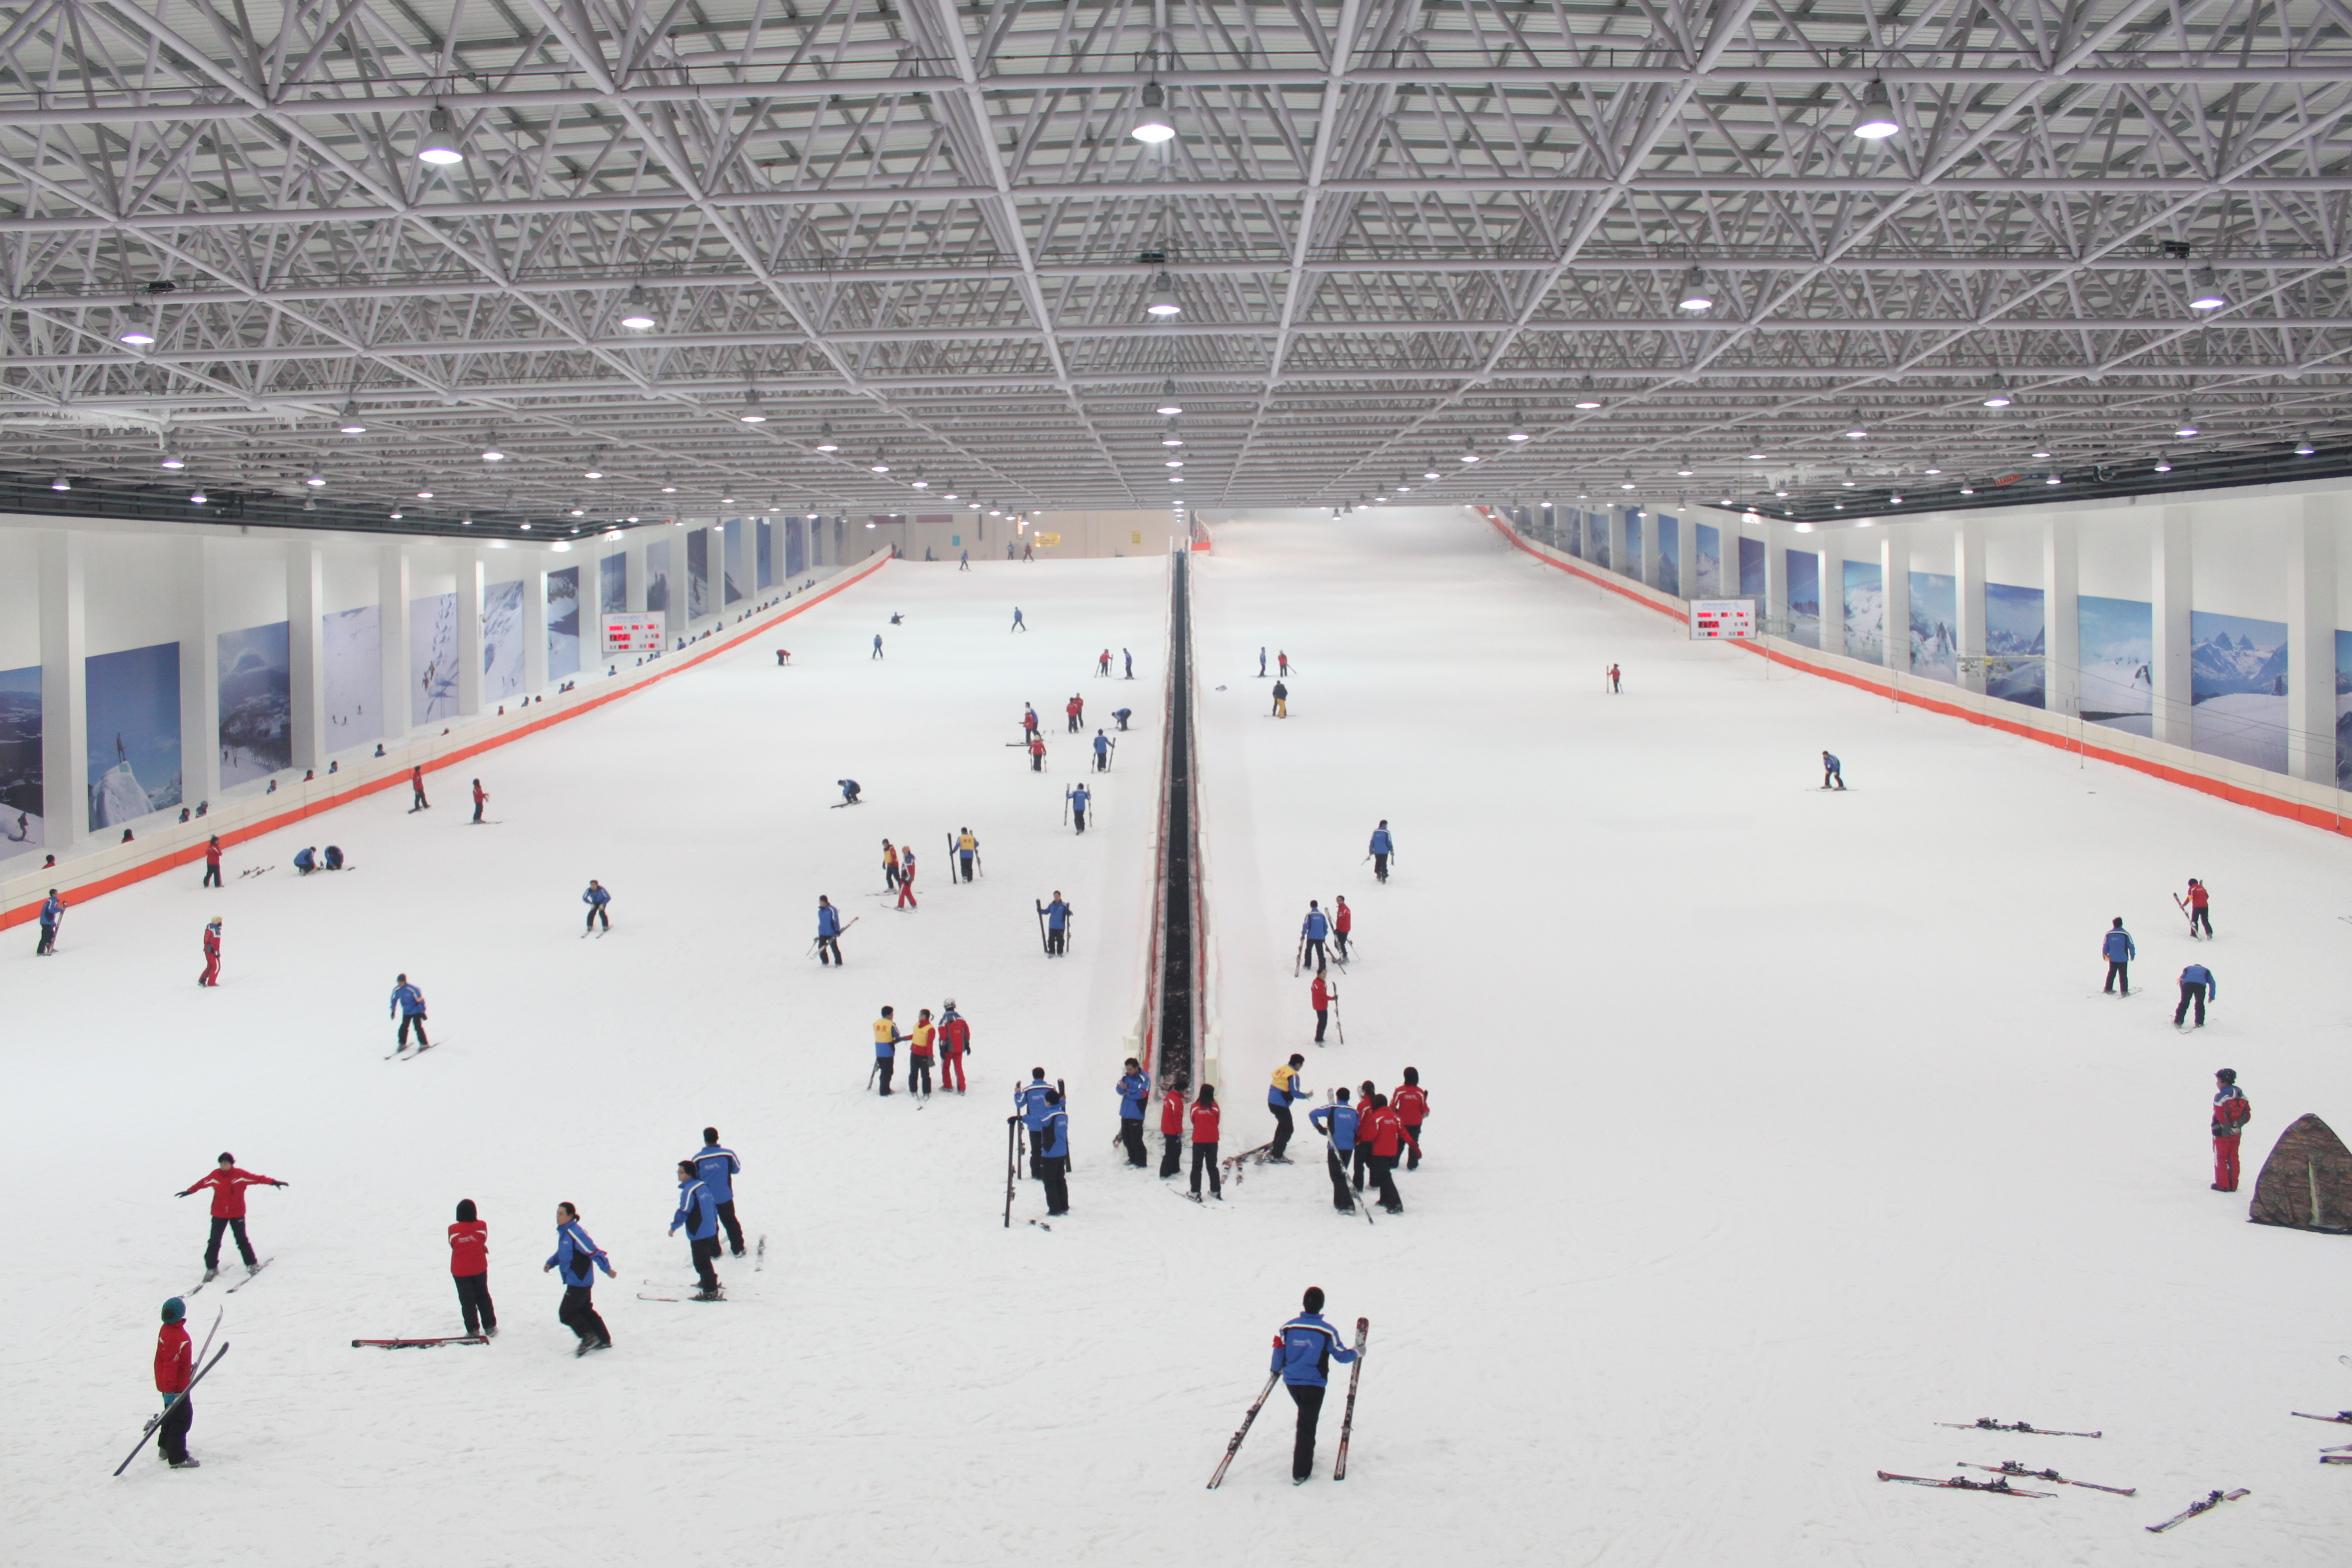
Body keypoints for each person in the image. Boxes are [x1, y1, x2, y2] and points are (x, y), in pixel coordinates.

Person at [1271, 1287, 1359, 1484]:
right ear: (1321, 1305)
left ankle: (1306, 1455)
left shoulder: (1288, 1328)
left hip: (1292, 1382)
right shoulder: (1326, 1331)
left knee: (1306, 1418)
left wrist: (1275, 1369)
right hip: (1313, 1384)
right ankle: (1300, 1471)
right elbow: (1341, 1355)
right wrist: (1357, 1352)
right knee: (1306, 1426)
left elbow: (1278, 1350)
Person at [178, 1152, 284, 1277]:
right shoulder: (215, 1175)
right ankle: (211, 1268)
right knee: (214, 1241)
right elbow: (202, 1183)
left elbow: (257, 1178)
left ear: (231, 1164)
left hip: (237, 1213)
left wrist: (273, 1182)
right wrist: (189, 1191)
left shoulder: (240, 1175)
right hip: (218, 1213)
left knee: (241, 1240)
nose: (224, 1165)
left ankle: (251, 1264)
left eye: (226, 1163)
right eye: (222, 1163)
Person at [544, 1202, 614, 1355]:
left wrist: (607, 1269)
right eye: (557, 1213)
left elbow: (593, 1251)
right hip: (577, 1280)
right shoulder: (565, 1232)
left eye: (561, 1213)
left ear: (570, 1216)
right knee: (584, 1309)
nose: (557, 1216)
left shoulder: (575, 1233)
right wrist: (551, 1262)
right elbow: (563, 1253)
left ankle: (588, 1337)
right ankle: (603, 1339)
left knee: (566, 1313)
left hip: (579, 1281)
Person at [154, 1296, 199, 1468]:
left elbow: (170, 1361)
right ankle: (177, 1456)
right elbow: (171, 1365)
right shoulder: (179, 1336)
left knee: (169, 1416)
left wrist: (187, 1368)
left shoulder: (165, 1329)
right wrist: (173, 1391)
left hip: (167, 1384)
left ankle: (165, 1446)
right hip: (176, 1387)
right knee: (182, 1419)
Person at [669, 1160, 723, 1297]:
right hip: (710, 1229)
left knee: (701, 1261)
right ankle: (708, 1281)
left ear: (688, 1174)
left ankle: (710, 1290)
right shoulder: (704, 1186)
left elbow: (684, 1211)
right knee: (704, 1259)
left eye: (681, 1172)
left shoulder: (689, 1191)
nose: (678, 1175)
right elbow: (713, 1206)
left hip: (699, 1231)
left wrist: (674, 1226)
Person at [448, 1199, 496, 1338]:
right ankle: (490, 1326)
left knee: (466, 1300)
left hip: (460, 1270)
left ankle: (472, 1329)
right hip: (479, 1268)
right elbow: (482, 1239)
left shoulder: (452, 1230)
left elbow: (453, 1243)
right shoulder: (481, 1226)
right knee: (483, 1296)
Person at [693, 1129, 746, 1256]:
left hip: (706, 1199)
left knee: (710, 1224)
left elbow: (694, 1178)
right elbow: (736, 1169)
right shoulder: (728, 1154)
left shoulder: (697, 1158)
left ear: (705, 1139)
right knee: (730, 1222)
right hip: (725, 1196)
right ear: (717, 1137)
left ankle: (714, 1251)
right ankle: (738, 1249)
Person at [1360, 1093, 1413, 1213]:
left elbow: (1371, 1135)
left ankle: (1396, 1203)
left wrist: (1361, 1140)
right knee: (1384, 1174)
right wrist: (1413, 1145)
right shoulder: (1395, 1117)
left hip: (1379, 1152)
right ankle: (1384, 1199)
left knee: (1385, 1177)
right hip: (1392, 1152)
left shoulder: (1375, 1117)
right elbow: (1403, 1132)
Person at [1310, 1091, 1360, 1213]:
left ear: (1337, 1097)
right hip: (1348, 1147)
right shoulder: (1354, 1112)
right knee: (1341, 1174)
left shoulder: (1332, 1108)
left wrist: (1320, 1128)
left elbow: (1312, 1114)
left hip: (1335, 1146)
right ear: (1348, 1098)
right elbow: (1357, 1128)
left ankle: (1347, 1204)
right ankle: (1339, 1202)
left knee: (1336, 1175)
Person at [2211, 1068, 2251, 1192]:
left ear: (2223, 1081)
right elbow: (2247, 1114)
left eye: (2218, 1080)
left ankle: (2222, 1184)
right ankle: (2233, 1184)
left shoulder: (2221, 1096)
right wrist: (2237, 1125)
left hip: (2222, 1133)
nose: (2217, 1083)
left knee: (2221, 1157)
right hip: (2236, 1132)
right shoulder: (2241, 1095)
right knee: (2233, 1156)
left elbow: (2219, 1114)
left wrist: (2227, 1127)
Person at [1268, 1054, 1308, 1162]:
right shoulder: (1293, 1075)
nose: (1301, 1067)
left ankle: (1276, 1145)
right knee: (1288, 1129)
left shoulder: (1283, 1068)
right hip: (1280, 1104)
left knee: (1283, 1124)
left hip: (1271, 1101)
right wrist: (1306, 1095)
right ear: (1297, 1064)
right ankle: (1277, 1155)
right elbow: (1295, 1092)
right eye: (1301, 1065)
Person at [1017, 1069, 1055, 1179]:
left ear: (1033, 1076)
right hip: (1048, 1125)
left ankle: (1036, 1172)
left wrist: (1017, 1093)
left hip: (1033, 1126)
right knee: (1048, 1148)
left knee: (1035, 1150)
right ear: (1043, 1076)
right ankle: (1048, 1170)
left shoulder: (1028, 1090)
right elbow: (1058, 1102)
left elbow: (1019, 1103)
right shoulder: (1050, 1088)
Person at [1038, 1090, 1071, 1217]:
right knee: (1060, 1179)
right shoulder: (1063, 1114)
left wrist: (1020, 1118)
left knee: (1049, 1181)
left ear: (1048, 1101)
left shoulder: (1048, 1116)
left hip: (1050, 1153)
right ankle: (1064, 1205)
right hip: (1061, 1151)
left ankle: (1054, 1208)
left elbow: (1037, 1120)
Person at [1189, 1084, 1223, 1199]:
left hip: (1198, 1140)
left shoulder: (1195, 1107)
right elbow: (1217, 1121)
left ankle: (1195, 1192)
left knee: (1196, 1167)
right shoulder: (1215, 1107)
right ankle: (1215, 1191)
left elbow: (1193, 1120)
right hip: (1213, 1141)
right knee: (1212, 1166)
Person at [1393, 1067, 1430, 1170]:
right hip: (1415, 1123)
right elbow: (1424, 1109)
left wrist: (1397, 1113)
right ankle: (1412, 1164)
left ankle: (1393, 1162)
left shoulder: (1399, 1091)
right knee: (1413, 1142)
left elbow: (1392, 1106)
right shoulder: (1420, 1092)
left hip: (1402, 1123)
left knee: (1399, 1143)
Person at [1117, 1058, 1149, 1167]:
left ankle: (1141, 1162)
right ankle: (1132, 1158)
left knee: (1136, 1139)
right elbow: (1119, 1090)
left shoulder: (1144, 1078)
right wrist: (1123, 1088)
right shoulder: (1126, 1077)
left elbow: (1141, 1094)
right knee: (1126, 1138)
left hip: (1136, 1114)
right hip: (1125, 1113)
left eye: (1130, 1069)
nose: (1128, 1071)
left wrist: (1127, 1090)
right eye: (1127, 1069)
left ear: (1136, 1067)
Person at [390, 973, 430, 1051]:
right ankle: (402, 1043)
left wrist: (422, 1012)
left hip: (416, 1010)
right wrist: (393, 1011)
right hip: (406, 1012)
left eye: (401, 982)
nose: (399, 983)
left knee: (417, 1026)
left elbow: (420, 1000)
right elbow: (393, 1000)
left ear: (405, 981)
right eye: (398, 982)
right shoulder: (397, 990)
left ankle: (424, 1043)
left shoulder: (412, 989)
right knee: (403, 1027)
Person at [938, 999, 971, 1093]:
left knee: (945, 1067)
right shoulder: (961, 1018)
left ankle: (947, 1086)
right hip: (959, 1048)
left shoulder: (944, 1019)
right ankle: (961, 1088)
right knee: (958, 1068)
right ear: (954, 1006)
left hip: (948, 1049)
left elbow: (942, 1035)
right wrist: (967, 1044)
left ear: (945, 1007)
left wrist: (942, 1048)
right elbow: (967, 1032)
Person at [1159, 1074, 1189, 1178]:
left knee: (1176, 1150)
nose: (1186, 1092)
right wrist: (1179, 1132)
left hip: (1167, 1128)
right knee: (1171, 1151)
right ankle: (1164, 1172)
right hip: (1172, 1130)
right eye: (1185, 1090)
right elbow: (1177, 1118)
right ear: (1181, 1090)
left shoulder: (1170, 1096)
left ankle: (1175, 1169)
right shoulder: (1177, 1101)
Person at [871, 1005, 902, 1096]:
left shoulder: (876, 1023)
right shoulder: (891, 1024)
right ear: (889, 1015)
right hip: (888, 1051)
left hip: (879, 1050)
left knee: (883, 1071)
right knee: (888, 1072)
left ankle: (883, 1087)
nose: (893, 1016)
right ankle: (884, 1090)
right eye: (892, 1014)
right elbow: (897, 1034)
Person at [2176, 962, 2217, 1028]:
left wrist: (2183, 992)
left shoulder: (2188, 968)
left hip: (2187, 984)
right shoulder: (2206, 970)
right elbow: (2212, 983)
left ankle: (2178, 1021)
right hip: (2200, 986)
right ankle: (2199, 1023)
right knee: (2199, 1003)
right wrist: (2211, 996)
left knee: (2184, 1003)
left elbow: (2181, 979)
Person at [2101, 917, 2134, 996]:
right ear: (2121, 923)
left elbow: (2105, 945)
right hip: (2123, 958)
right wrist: (2132, 954)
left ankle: (2108, 988)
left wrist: (2104, 954)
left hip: (2112, 958)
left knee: (2111, 974)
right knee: (2123, 975)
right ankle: (2124, 991)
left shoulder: (2109, 934)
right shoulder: (2125, 934)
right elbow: (2131, 945)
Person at [909, 1008, 937, 1097]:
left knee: (925, 1075)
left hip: (923, 1055)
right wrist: (902, 1039)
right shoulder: (917, 1024)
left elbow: (929, 1044)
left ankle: (926, 1092)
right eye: (919, 1015)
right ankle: (913, 1090)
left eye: (921, 1015)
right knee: (913, 1073)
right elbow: (914, 1036)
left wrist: (930, 1057)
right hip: (913, 1053)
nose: (919, 1016)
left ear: (926, 1016)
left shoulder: (930, 1029)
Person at [1300, 901, 1328, 973]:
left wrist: (1303, 934)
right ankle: (1322, 967)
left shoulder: (1309, 914)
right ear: (1317, 905)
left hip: (1311, 937)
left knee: (1308, 950)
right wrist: (1323, 935)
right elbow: (1325, 926)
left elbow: (1305, 925)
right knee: (1320, 952)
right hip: (1320, 937)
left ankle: (1307, 965)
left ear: (1311, 906)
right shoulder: (1322, 915)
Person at [35, 887, 64, 956]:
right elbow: (50, 911)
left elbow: (50, 911)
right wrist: (59, 910)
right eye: (56, 893)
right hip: (46, 922)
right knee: (45, 936)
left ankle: (49, 947)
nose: (57, 894)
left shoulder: (51, 900)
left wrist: (59, 909)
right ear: (53, 894)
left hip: (47, 921)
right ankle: (40, 951)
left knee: (51, 934)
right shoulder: (52, 901)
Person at [816, 896, 844, 965]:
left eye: (821, 901)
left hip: (831, 932)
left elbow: (836, 920)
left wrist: (837, 930)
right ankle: (825, 962)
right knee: (821, 948)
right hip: (822, 933)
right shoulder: (820, 911)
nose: (820, 903)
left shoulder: (832, 909)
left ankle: (838, 962)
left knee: (834, 948)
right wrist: (819, 932)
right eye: (819, 902)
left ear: (825, 901)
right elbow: (821, 922)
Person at [1310, 971, 1334, 1044]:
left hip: (1320, 1005)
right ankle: (1318, 1038)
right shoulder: (1318, 983)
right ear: (1318, 974)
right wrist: (1332, 998)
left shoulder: (1319, 982)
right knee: (1322, 1022)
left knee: (1322, 1021)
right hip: (1320, 1006)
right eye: (1323, 974)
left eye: (1325, 974)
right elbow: (1322, 996)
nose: (1324, 975)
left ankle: (1319, 1036)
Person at [198, 917, 222, 988]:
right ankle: (211, 982)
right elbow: (216, 943)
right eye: (220, 921)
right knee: (216, 967)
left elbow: (206, 939)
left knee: (210, 966)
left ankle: (201, 980)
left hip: (207, 949)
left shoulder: (208, 928)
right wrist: (216, 952)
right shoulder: (216, 930)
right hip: (211, 951)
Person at [1332, 896, 1352, 962]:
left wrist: (1338, 929)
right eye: (1337, 900)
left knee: (1339, 943)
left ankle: (1344, 957)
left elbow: (1342, 921)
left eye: (1339, 900)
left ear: (1343, 900)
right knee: (1339, 943)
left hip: (1343, 929)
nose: (1338, 901)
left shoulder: (1343, 909)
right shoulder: (1342, 908)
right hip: (1343, 929)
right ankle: (1343, 956)